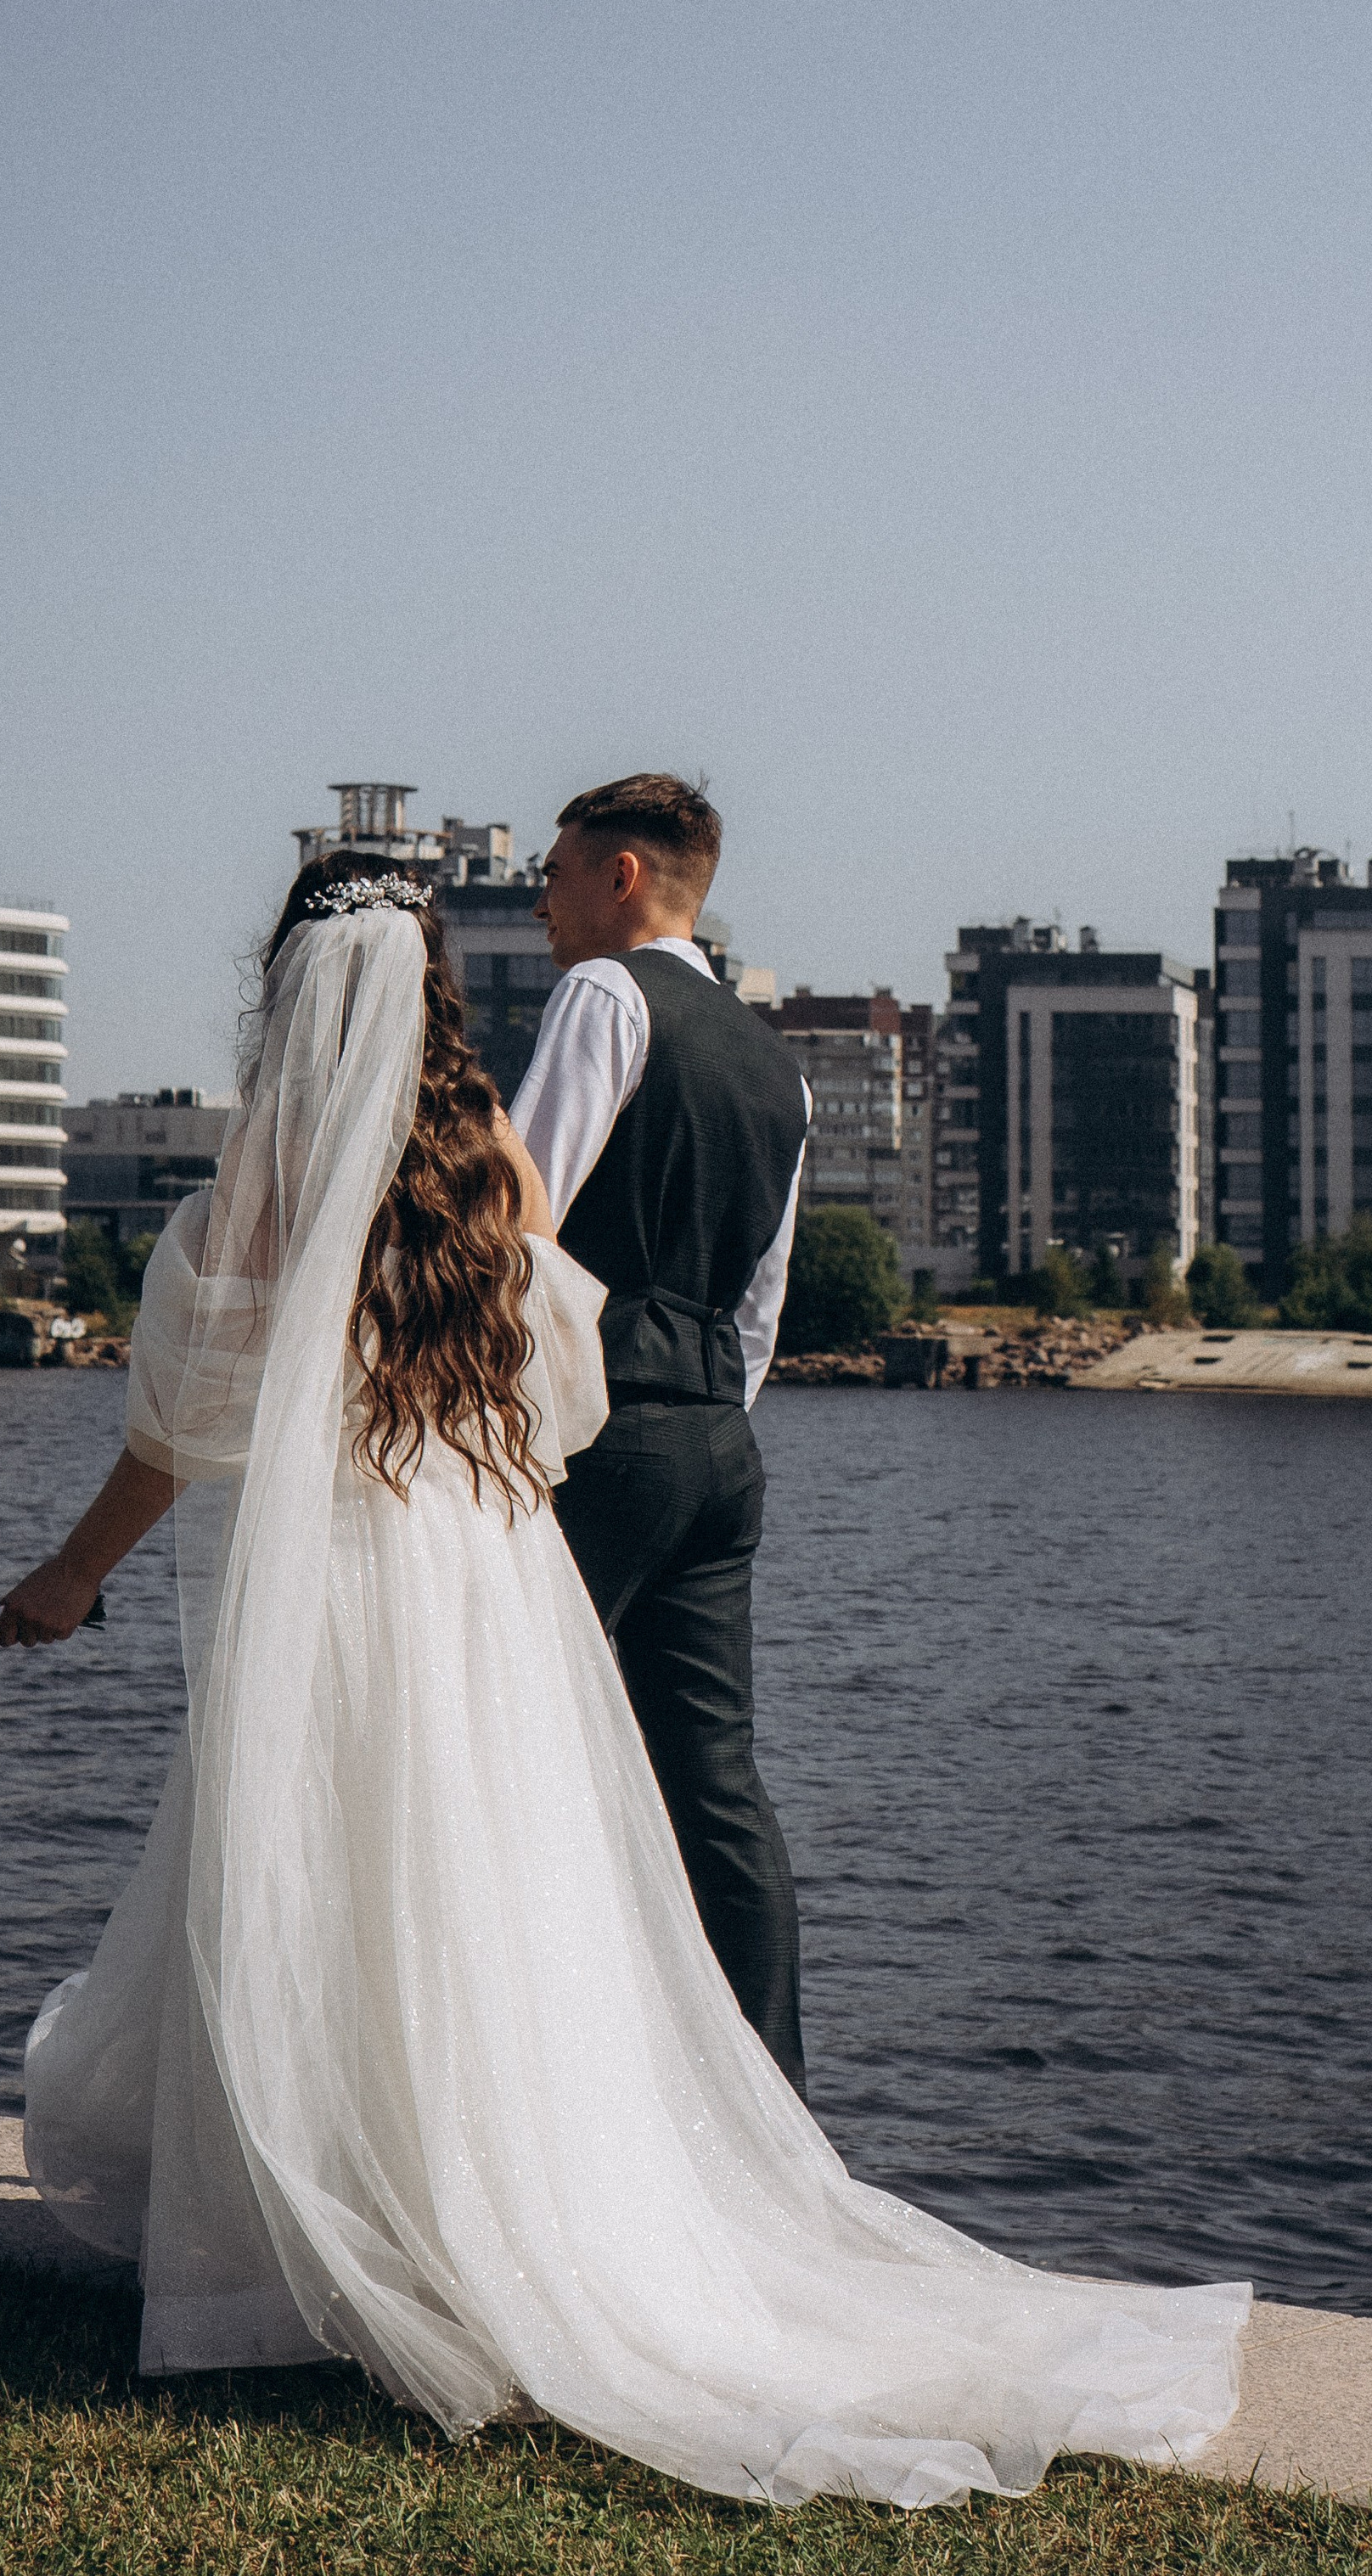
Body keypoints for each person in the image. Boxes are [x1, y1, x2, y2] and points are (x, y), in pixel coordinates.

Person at [0, 857, 1246, 2506]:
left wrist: (72, 1572)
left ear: (289, 988)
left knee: (322, 1879)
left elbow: (176, 1426)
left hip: (348, 1584)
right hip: (478, 1571)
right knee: (485, 1893)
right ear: (435, 986)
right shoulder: (485, 1159)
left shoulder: (269, 1172)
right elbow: (561, 1379)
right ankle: (495, 2212)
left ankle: (329, 2242)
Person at [510, 776, 809, 2093]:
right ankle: (770, 2108)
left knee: (507, 1744)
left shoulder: (605, 995)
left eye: (559, 871)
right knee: (715, 1788)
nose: (543, 898)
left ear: (622, 877)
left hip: (599, 1427)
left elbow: (521, 1216)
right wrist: (699, 1420)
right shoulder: (775, 1061)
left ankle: (529, 2093)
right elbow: (761, 1306)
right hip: (715, 1452)